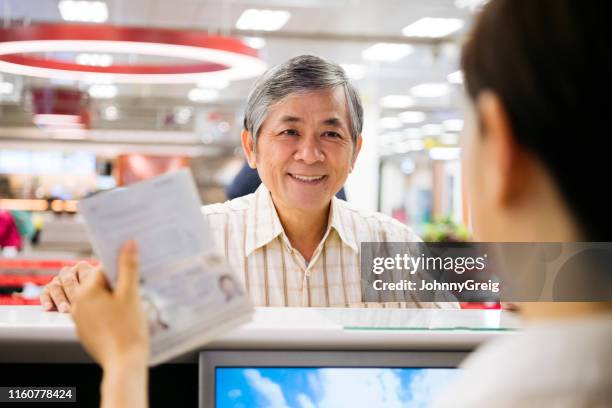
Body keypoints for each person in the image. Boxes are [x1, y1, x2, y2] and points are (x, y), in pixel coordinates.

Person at [42, 55, 439, 310]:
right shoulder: (195, 240)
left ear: (355, 151)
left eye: (331, 134)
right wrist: (75, 287)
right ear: (251, 147)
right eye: (289, 132)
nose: (309, 154)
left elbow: (458, 350)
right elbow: (119, 315)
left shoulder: (393, 246)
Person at [226, 161, 347, 200]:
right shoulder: (219, 230)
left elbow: (235, 190)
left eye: (330, 134)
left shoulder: (363, 231)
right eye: (290, 133)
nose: (309, 157)